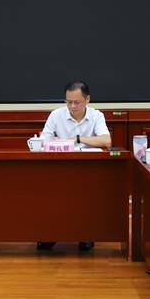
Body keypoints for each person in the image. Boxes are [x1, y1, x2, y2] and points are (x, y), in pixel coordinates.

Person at [37, 80, 110, 252]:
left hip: (88, 169)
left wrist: (77, 139)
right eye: (68, 102)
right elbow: (43, 140)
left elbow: (106, 141)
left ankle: (85, 234)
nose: (72, 106)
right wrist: (54, 142)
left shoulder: (96, 116)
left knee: (85, 197)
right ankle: (51, 234)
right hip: (60, 167)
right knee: (53, 196)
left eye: (77, 102)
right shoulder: (56, 115)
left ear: (87, 100)